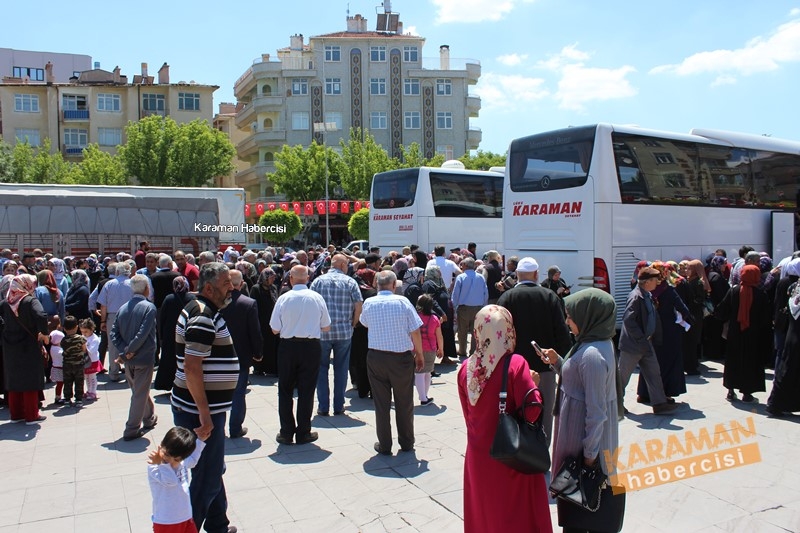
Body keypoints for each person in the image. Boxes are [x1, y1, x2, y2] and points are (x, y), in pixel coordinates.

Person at [457, 305, 551, 533]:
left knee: (485, 513)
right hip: (511, 455)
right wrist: (534, 385)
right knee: (514, 514)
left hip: (479, 456)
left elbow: (468, 414)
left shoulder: (466, 368)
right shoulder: (515, 364)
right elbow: (532, 411)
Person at [539, 289, 620, 533]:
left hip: (584, 448)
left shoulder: (592, 354)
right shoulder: (594, 343)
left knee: (584, 513)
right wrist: (557, 363)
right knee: (580, 511)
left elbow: (596, 413)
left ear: (588, 316)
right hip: (584, 445)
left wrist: (589, 457)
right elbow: (580, 384)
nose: (567, 321)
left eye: (570, 316)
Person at [171, 262, 239, 533]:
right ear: (209, 288)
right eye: (226, 284)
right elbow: (191, 366)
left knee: (212, 469)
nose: (231, 288)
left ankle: (218, 526)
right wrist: (204, 413)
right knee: (206, 478)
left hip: (202, 407)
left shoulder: (204, 310)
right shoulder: (202, 316)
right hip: (199, 409)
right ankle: (190, 528)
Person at [496, 256, 571, 446]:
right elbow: (561, 332)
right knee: (544, 410)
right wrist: (562, 361)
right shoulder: (549, 296)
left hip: (514, 368)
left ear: (518, 275)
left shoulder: (506, 297)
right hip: (545, 366)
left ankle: (517, 447)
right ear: (537, 274)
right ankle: (542, 449)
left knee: (516, 407)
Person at [359, 270, 424, 455]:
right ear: (394, 285)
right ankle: (406, 442)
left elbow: (364, 323)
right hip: (400, 358)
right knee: (404, 402)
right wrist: (419, 354)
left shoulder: (369, 302)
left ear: (376, 284)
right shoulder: (403, 302)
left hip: (376, 357)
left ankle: (385, 444)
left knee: (381, 403)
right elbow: (415, 330)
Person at [269, 265, 331, 445]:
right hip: (310, 347)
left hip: (288, 346)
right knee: (307, 390)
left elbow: (274, 329)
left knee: (285, 389)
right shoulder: (316, 298)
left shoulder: (284, 298)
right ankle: (304, 431)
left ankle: (286, 431)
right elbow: (326, 326)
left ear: (290, 279)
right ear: (307, 279)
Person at [617, 267, 679, 415]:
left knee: (654, 373)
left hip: (646, 343)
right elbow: (628, 321)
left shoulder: (647, 295)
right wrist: (641, 339)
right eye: (655, 280)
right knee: (622, 378)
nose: (657, 282)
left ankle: (659, 404)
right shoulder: (636, 297)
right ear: (647, 282)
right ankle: (616, 405)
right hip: (633, 345)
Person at [309, 253, 362, 416]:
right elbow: (359, 305)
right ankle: (338, 406)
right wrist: (353, 323)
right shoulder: (350, 282)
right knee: (341, 369)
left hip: (322, 332)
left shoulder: (318, 281)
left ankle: (323, 406)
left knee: (321, 369)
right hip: (344, 332)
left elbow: (311, 304)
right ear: (342, 265)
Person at [713, 264, 771, 402]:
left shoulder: (734, 292)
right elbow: (766, 319)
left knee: (733, 360)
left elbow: (721, 311)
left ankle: (731, 390)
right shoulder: (761, 295)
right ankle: (747, 392)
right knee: (751, 361)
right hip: (754, 335)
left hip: (735, 333)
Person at [111, 274, 158, 440]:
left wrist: (125, 351)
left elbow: (113, 333)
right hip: (143, 357)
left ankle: (148, 417)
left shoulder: (123, 307)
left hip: (129, 359)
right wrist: (130, 350)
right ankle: (131, 429)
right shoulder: (149, 307)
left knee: (138, 390)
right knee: (139, 393)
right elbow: (143, 333)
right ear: (146, 288)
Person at [220, 270, 262, 439]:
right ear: (241, 284)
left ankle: (218, 428)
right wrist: (258, 353)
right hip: (240, 356)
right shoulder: (248, 303)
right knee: (238, 394)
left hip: (218, 356)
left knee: (218, 395)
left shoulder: (216, 302)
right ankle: (235, 428)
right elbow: (255, 331)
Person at [1, 274, 49, 424]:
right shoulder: (29, 301)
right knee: (30, 380)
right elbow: (41, 315)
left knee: (14, 380)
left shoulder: (5, 303)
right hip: (29, 346)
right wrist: (44, 334)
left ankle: (16, 415)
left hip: (9, 347)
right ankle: (31, 415)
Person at [148, 426, 206, 533]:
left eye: (176, 459)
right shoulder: (154, 466)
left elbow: (192, 460)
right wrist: (161, 463)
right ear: (161, 446)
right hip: (166, 521)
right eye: (167, 455)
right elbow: (171, 481)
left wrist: (200, 441)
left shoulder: (181, 463)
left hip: (186, 517)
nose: (171, 461)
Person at [154, 277, 196, 391]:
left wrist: (161, 335)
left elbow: (162, 318)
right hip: (188, 331)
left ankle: (167, 383)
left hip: (170, 333)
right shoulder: (192, 298)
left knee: (169, 359)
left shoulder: (169, 299)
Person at [98, 262, 134, 382]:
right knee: (130, 343)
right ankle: (130, 370)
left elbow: (103, 305)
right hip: (129, 315)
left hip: (112, 316)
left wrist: (103, 321)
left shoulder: (109, 284)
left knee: (112, 345)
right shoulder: (133, 284)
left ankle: (114, 372)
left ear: (117, 272)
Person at [451, 257, 489, 357]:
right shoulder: (481, 277)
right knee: (475, 331)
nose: (461, 266)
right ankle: (473, 351)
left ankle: (462, 350)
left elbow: (456, 294)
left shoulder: (461, 277)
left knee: (462, 330)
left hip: (464, 308)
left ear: (465, 266)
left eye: (462, 264)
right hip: (478, 308)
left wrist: (454, 307)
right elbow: (486, 293)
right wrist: (484, 306)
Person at [249, 268, 280, 376]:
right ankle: (259, 368)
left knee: (271, 346)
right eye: (271, 277)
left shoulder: (274, 288)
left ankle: (271, 368)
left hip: (272, 322)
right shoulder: (256, 289)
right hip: (261, 322)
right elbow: (253, 306)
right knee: (261, 345)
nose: (273, 279)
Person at [415, 294, 442, 405]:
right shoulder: (435, 319)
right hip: (430, 348)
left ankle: (423, 397)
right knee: (427, 373)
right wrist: (441, 349)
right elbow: (439, 336)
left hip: (417, 348)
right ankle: (424, 396)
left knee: (419, 373)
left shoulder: (415, 317)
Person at [61, 315, 88, 408]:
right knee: (79, 382)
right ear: (77, 327)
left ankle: (67, 399)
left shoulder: (63, 340)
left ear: (64, 328)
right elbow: (84, 349)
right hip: (79, 364)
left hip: (67, 365)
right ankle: (78, 399)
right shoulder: (81, 339)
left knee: (67, 382)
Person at [81, 318, 102, 401]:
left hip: (92, 360)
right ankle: (89, 390)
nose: (84, 334)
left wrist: (84, 347)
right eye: (82, 332)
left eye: (85, 332)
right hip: (85, 360)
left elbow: (92, 351)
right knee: (87, 377)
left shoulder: (95, 339)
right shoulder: (83, 337)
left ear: (91, 329)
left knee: (92, 377)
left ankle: (93, 392)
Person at [49, 318, 65, 404]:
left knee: (59, 384)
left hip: (56, 368)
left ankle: (58, 396)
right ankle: (58, 397)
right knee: (60, 384)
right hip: (60, 369)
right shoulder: (59, 350)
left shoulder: (53, 348)